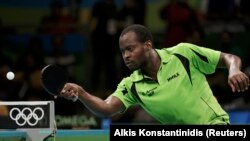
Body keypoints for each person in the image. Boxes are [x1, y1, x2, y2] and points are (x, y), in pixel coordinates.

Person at [58, 24, 249, 124]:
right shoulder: (132, 84)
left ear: (148, 45)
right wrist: (81, 93)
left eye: (130, 49)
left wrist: (234, 69)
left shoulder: (182, 53)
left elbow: (229, 58)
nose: (126, 56)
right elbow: (107, 108)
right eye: (123, 51)